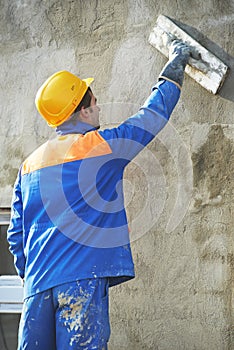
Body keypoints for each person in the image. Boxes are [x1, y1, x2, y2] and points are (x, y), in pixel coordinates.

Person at [7, 40, 191, 349]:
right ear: (83, 109)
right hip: (79, 284)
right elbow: (151, 117)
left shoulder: (29, 165)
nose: (100, 107)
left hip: (36, 289)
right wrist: (176, 64)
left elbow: (16, 235)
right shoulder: (99, 148)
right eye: (95, 101)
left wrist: (35, 275)